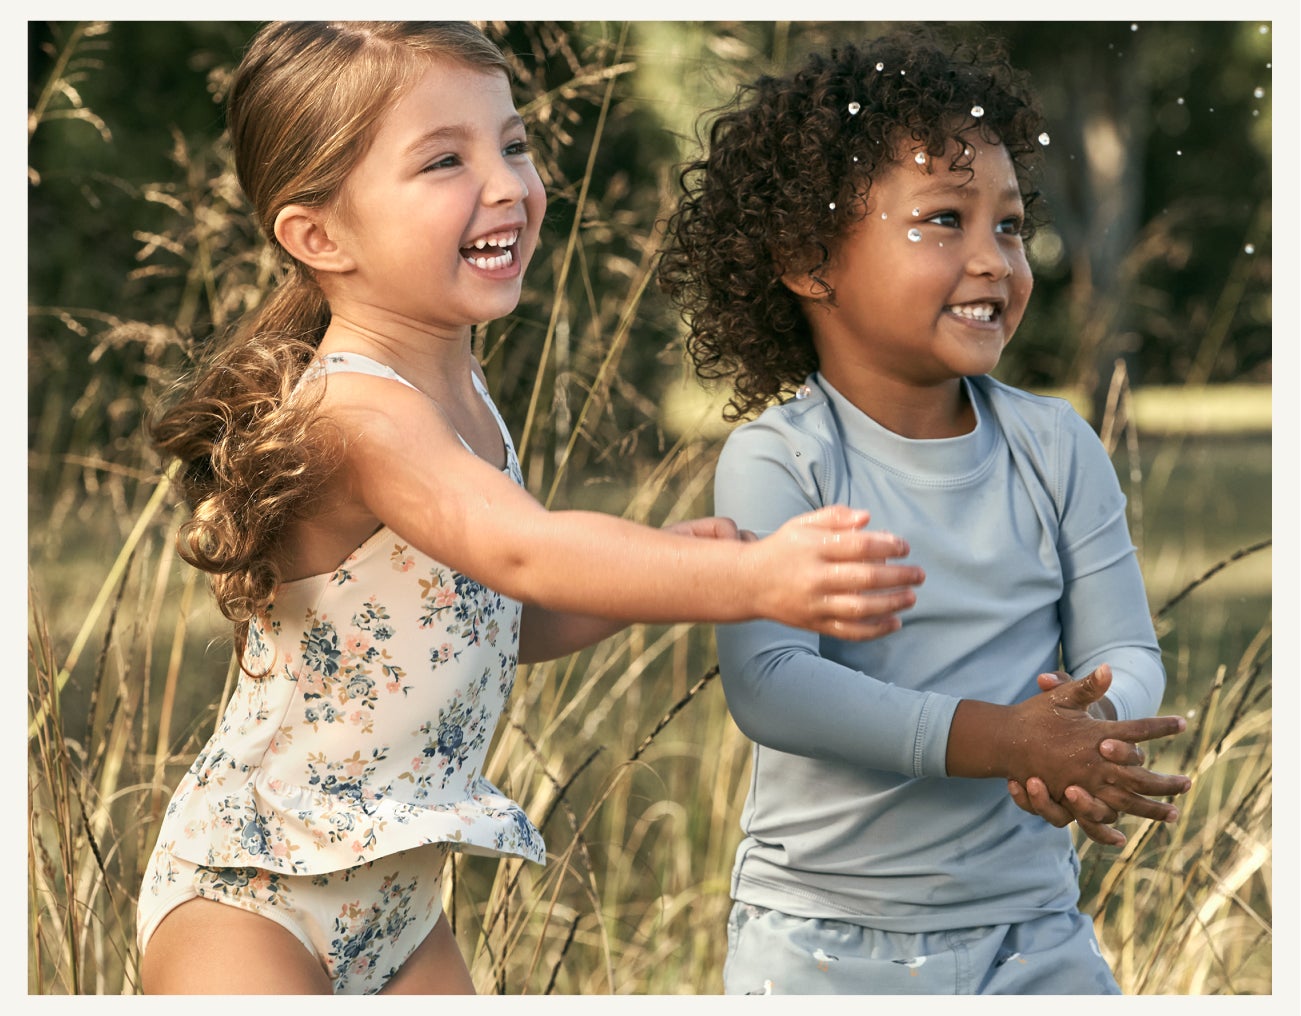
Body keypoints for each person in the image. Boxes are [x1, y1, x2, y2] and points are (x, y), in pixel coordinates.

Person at [135, 21, 929, 996]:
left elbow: (502, 615)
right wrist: (746, 577)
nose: (508, 182)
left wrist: (656, 575)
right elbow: (525, 551)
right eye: (443, 159)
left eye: (511, 143)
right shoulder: (358, 413)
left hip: (398, 902)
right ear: (318, 236)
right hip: (253, 888)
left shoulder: (459, 397)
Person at [657, 26, 1193, 995]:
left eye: (1011, 225)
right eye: (943, 219)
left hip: (1030, 931)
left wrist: (1090, 725)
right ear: (807, 258)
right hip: (821, 942)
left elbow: (1128, 646)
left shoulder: (1055, 445)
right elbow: (773, 684)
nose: (993, 259)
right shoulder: (782, 456)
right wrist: (1006, 737)